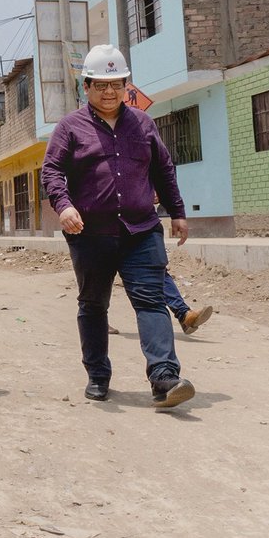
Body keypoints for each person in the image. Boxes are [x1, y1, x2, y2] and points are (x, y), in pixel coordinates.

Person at [41, 44, 196, 409]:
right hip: (90, 234)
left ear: (127, 84)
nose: (109, 92)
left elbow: (163, 169)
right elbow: (52, 171)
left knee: (151, 301)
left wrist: (177, 212)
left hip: (141, 231)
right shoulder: (70, 127)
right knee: (93, 305)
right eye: (100, 85)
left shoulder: (142, 124)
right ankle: (98, 375)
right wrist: (63, 206)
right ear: (86, 87)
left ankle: (164, 377)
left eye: (116, 83)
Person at [108, 272, 213, 336]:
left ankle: (184, 315)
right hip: (104, 238)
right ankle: (96, 319)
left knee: (156, 267)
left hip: (137, 237)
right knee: (101, 272)